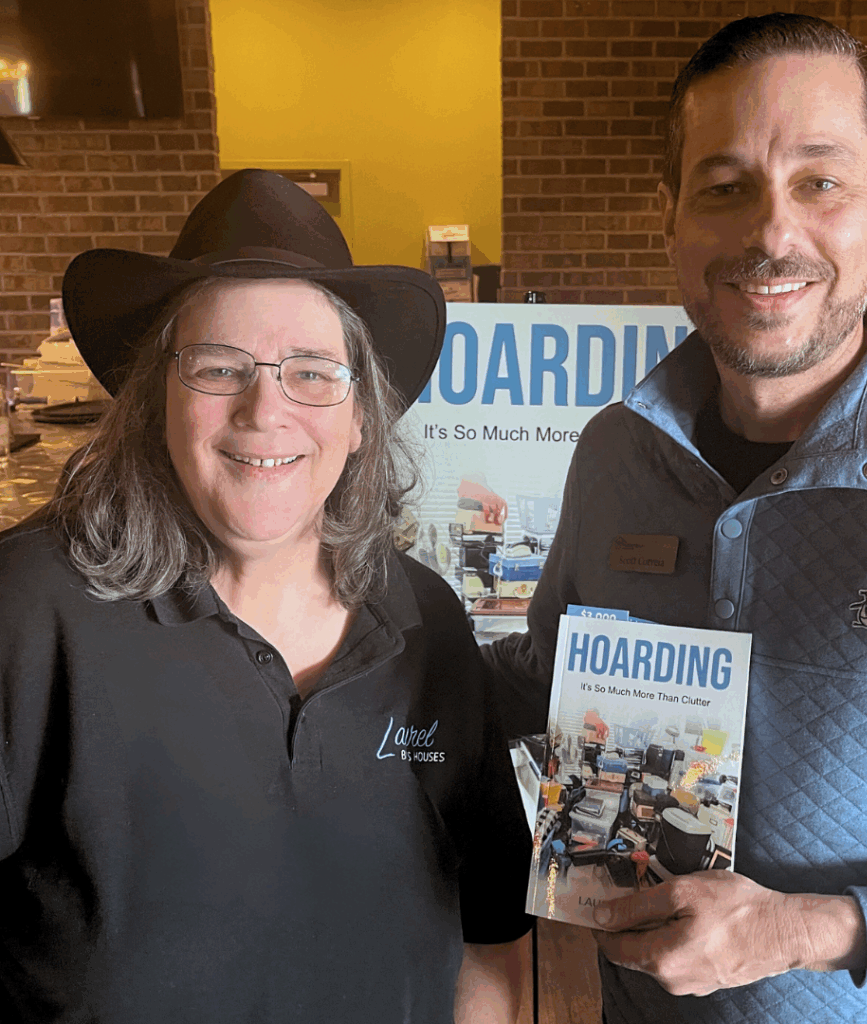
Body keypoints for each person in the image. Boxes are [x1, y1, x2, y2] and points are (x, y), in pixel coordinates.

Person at [483, 12, 867, 1024]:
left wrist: (807, 930)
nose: (771, 233)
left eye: (819, 181)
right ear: (672, 217)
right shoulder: (614, 455)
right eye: (724, 188)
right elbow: (548, 684)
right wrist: (360, 631)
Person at [0, 169, 532, 1023]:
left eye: (314, 374)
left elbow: (489, 930)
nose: (265, 411)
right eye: (219, 367)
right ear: (156, 401)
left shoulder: (427, 620)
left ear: (362, 417)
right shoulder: (30, 611)